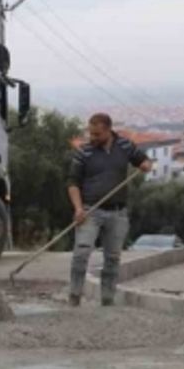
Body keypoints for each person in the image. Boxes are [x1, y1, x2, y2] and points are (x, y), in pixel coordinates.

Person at [67, 113, 152, 306]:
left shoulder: (125, 146)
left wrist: (146, 164)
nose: (92, 138)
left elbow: (143, 161)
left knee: (113, 257)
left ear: (108, 130)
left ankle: (107, 300)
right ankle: (74, 296)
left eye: (97, 134)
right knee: (81, 253)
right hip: (90, 211)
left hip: (118, 212)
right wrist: (78, 208)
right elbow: (72, 183)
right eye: (91, 133)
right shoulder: (84, 152)